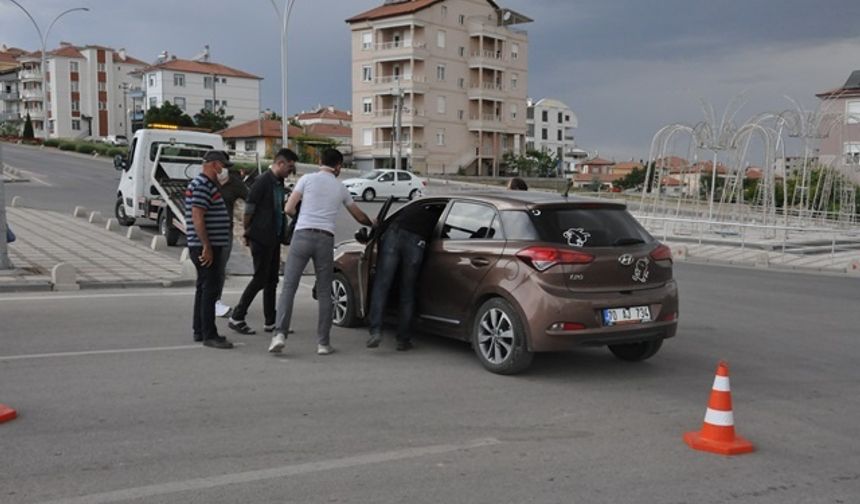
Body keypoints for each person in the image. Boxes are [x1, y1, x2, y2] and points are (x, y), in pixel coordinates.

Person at [268, 148, 374, 355]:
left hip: (302, 235)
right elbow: (359, 216)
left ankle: (279, 334)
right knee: (325, 291)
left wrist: (302, 220)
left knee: (289, 286)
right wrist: (373, 222)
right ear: (338, 166)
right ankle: (323, 343)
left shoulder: (306, 179)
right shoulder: (340, 187)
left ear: (320, 161)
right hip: (325, 238)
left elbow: (289, 208)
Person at [229, 148, 298, 335]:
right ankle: (237, 316)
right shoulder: (262, 182)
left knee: (272, 280)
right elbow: (249, 210)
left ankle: (270, 321)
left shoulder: (279, 182)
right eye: (289, 167)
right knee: (260, 278)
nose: (290, 171)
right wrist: (247, 233)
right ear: (280, 163)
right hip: (260, 237)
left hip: (274, 238)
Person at [366, 202, 439, 351]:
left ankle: (375, 332)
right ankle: (403, 339)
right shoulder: (436, 218)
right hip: (418, 240)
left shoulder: (413, 207)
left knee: (382, 285)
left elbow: (383, 226)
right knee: (408, 290)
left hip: (395, 234)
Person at [185, 150, 234, 349]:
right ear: (214, 165)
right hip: (206, 246)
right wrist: (206, 245)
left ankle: (199, 329)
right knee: (210, 290)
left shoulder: (205, 185)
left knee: (203, 288)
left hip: (207, 245)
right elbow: (198, 217)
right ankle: (209, 334)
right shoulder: (203, 185)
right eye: (223, 166)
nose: (224, 171)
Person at [214, 168, 249, 318]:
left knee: (220, 267)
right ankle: (209, 301)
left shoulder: (234, 183)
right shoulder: (208, 181)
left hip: (225, 231)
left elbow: (250, 197)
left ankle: (216, 301)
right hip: (208, 230)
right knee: (209, 269)